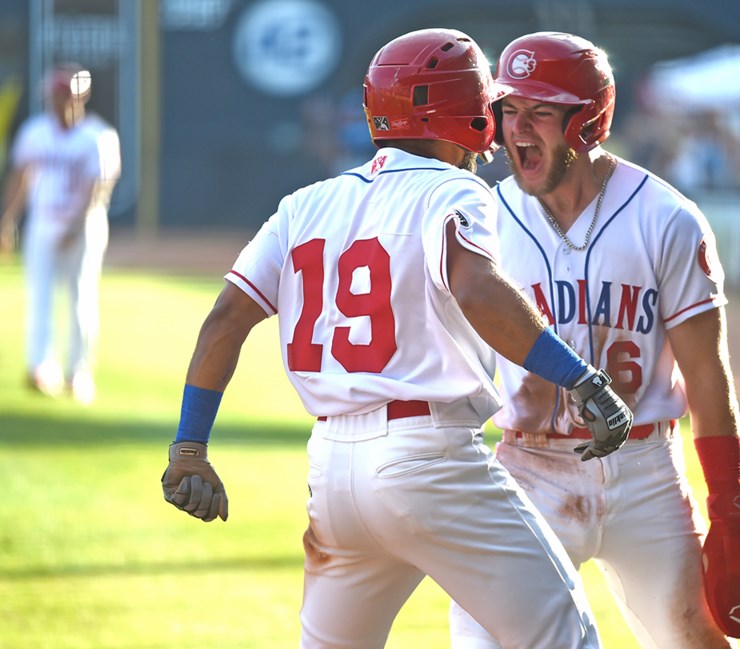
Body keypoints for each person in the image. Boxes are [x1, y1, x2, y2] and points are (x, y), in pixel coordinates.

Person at [160, 28, 635, 649]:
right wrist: (578, 375)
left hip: (332, 473)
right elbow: (477, 289)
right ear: (466, 112)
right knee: (562, 638)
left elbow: (225, 319)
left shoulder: (305, 203)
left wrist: (189, 447)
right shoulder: (452, 190)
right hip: (428, 461)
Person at [448, 32, 740, 648]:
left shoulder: (665, 218)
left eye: (539, 112)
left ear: (588, 122)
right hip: (526, 467)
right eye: (508, 110)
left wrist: (730, 513)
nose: (517, 129)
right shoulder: (481, 218)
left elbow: (705, 374)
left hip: (645, 472)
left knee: (695, 638)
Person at [0, 62, 121, 403]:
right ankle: (41, 367)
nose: (58, 101)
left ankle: (79, 373)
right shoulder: (36, 131)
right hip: (42, 222)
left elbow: (99, 187)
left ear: (81, 96)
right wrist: (7, 220)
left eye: (64, 94)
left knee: (80, 297)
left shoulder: (98, 136)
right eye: (55, 94)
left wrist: (74, 224)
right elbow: (20, 176)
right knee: (39, 296)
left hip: (85, 224)